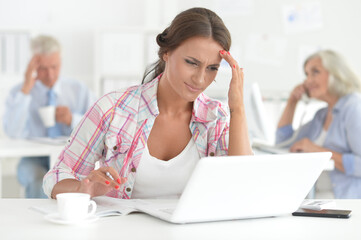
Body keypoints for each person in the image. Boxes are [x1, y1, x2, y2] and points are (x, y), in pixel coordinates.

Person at [43, 7, 253, 200]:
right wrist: (83, 188)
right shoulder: (113, 108)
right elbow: (56, 177)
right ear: (166, 52)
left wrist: (238, 109)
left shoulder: (216, 118)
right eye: (191, 62)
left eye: (212, 68)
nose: (200, 79)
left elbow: (244, 187)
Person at [3, 35, 96, 198]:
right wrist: (25, 89)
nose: (50, 74)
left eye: (54, 66)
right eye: (43, 69)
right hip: (34, 159)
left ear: (60, 61)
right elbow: (12, 132)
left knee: (78, 181)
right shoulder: (21, 91)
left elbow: (96, 128)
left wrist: (72, 120)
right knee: (36, 178)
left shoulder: (78, 90)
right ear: (33, 65)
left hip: (69, 157)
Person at [276, 50, 361, 199]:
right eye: (306, 75)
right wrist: (291, 103)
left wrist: (317, 151)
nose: (307, 81)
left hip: (346, 201)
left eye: (315, 72)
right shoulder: (322, 114)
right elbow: (283, 143)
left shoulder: (354, 107)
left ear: (337, 73)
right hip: (318, 198)